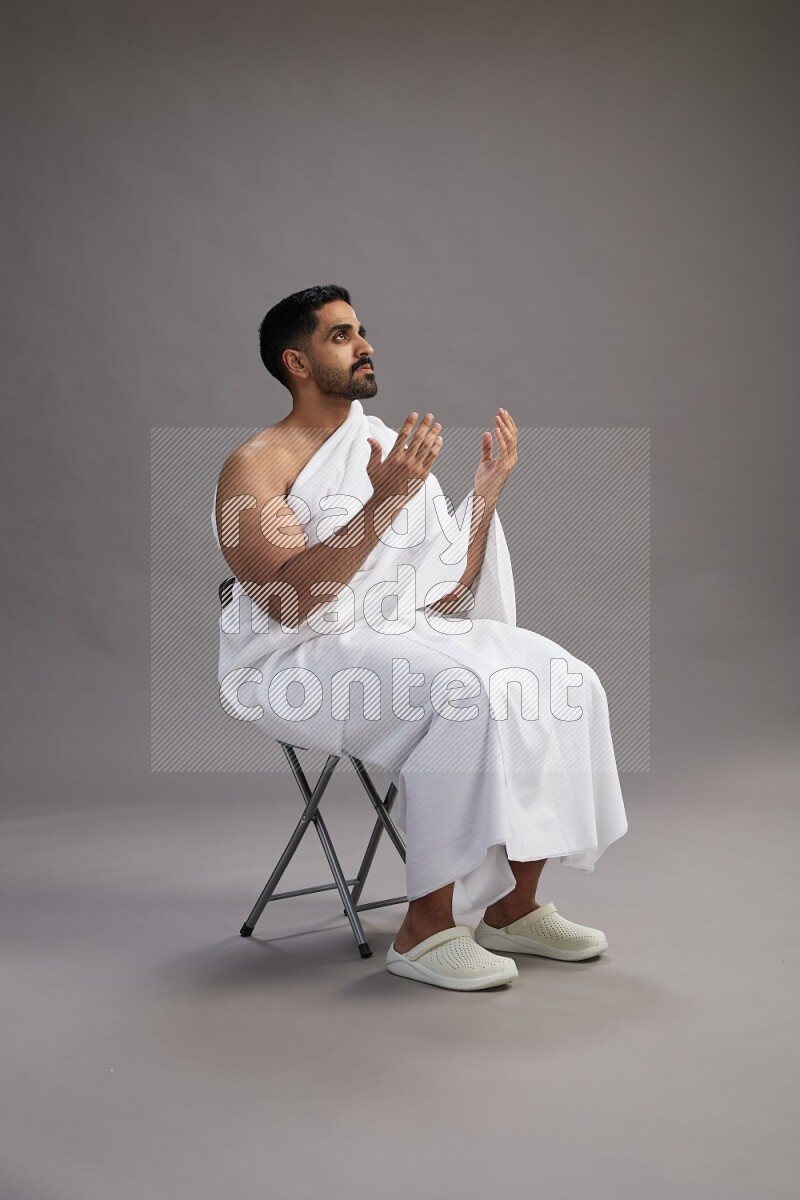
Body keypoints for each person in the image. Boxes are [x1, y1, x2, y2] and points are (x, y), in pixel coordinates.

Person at [212, 284, 629, 992]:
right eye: (341, 336)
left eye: (362, 331)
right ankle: (425, 929)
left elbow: (443, 592)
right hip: (301, 659)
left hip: (399, 632)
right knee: (463, 694)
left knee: (562, 677)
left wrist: (488, 490)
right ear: (298, 362)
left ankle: (512, 908)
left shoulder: (380, 446)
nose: (365, 345)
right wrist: (385, 500)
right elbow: (288, 603)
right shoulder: (254, 466)